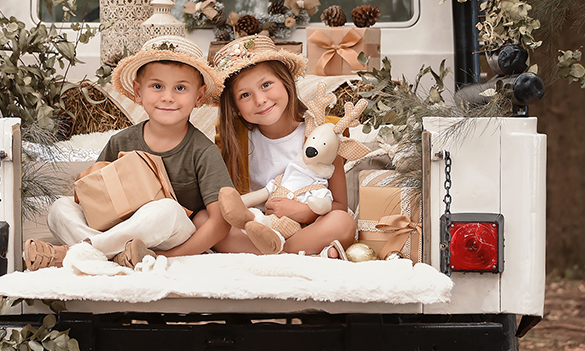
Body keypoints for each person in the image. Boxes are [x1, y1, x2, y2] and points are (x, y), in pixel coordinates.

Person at [24, 35, 233, 270]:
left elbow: (221, 222)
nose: (167, 97)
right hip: (117, 227)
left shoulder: (203, 151)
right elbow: (89, 196)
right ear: (137, 91)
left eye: (180, 88)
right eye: (157, 86)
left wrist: (171, 254)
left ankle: (77, 252)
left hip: (169, 234)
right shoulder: (121, 141)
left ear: (199, 96)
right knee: (60, 208)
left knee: (167, 208)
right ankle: (115, 254)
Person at [211, 35, 355, 258]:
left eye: (266, 85)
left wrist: (304, 212)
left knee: (342, 223)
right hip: (255, 226)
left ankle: (280, 251)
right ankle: (291, 251)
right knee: (206, 220)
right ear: (235, 105)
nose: (260, 100)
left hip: (307, 228)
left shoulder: (320, 134)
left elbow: (339, 206)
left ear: (286, 82)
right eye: (245, 95)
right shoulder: (235, 139)